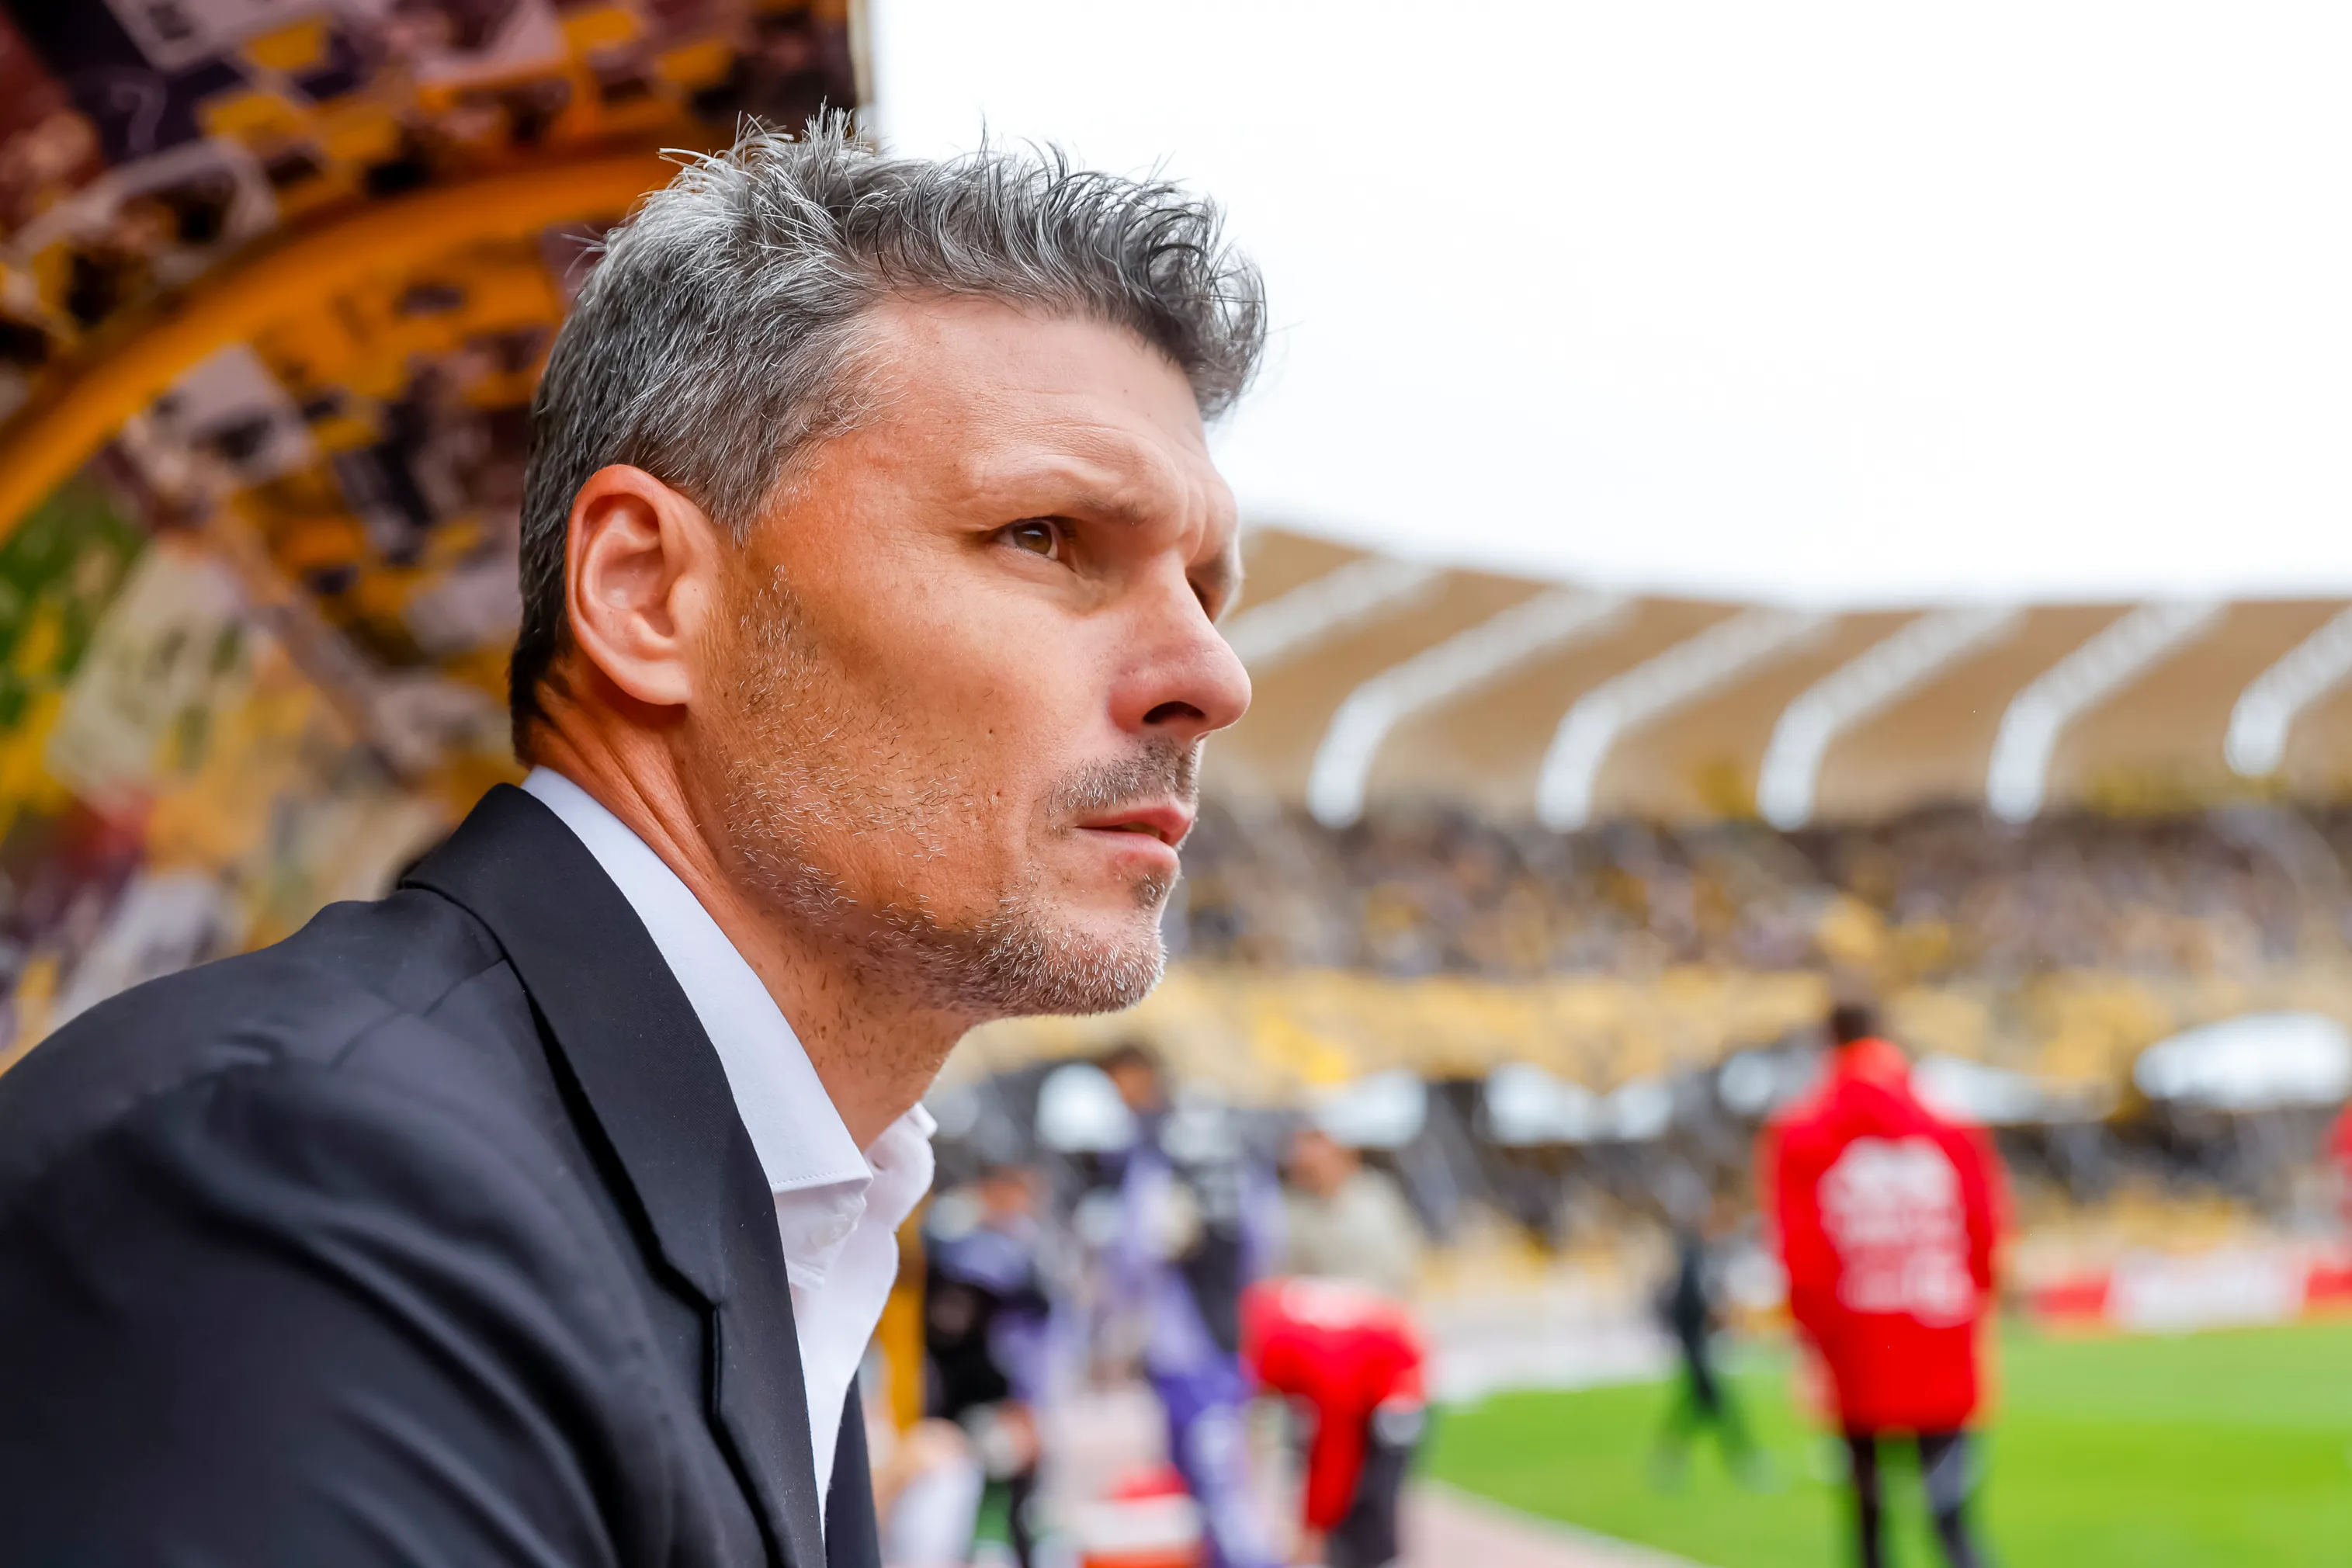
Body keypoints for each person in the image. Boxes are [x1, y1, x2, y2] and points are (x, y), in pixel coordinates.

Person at [0, 118, 1261, 1567]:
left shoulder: (722, 1190)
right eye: (1045, 536)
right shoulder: (304, 1195)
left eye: (1206, 585)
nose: (1212, 677)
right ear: (648, 593)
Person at [1762, 1001, 2005, 1568]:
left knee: (1869, 1531)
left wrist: (1810, 1345)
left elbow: (1803, 1257)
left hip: (1857, 1351)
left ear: (1829, 1041)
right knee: (1955, 1524)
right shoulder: (1952, 1125)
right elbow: (1986, 1236)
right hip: (1942, 1341)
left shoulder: (1802, 1132)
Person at [1102, 1039, 1283, 1568]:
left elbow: (1140, 1243)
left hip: (1187, 1338)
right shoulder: (1225, 1133)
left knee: (1216, 1481)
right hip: (1217, 1327)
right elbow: (1263, 1235)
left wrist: (1117, 1316)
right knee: (1213, 1478)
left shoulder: (1157, 1141)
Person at [1240, 1276, 1426, 1568]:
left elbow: (1336, 1454)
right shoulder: (1267, 1321)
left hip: (1390, 1390)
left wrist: (1312, 1528)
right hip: (1368, 1368)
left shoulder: (1321, 1365)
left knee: (1368, 1505)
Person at [924, 1164, 1056, 1567]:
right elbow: (956, 1329)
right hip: (972, 1400)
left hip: (1006, 1399)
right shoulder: (973, 1249)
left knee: (1015, 1508)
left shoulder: (1015, 1247)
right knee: (971, 1506)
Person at [1650, 1205, 1760, 1487]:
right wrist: (1711, 1321)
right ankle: (1742, 1461)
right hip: (1694, 1347)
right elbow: (1689, 1305)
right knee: (1716, 1407)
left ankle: (1672, 1459)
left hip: (1697, 1346)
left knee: (1699, 1408)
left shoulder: (1700, 1260)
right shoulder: (1692, 1262)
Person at [1281, 1124, 1421, 1299]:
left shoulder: (1376, 1196)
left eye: (1314, 1141)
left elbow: (1405, 1268)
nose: (1301, 1153)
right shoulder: (1289, 1212)